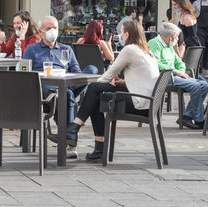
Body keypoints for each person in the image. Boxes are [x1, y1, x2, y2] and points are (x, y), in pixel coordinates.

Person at [64, 19, 160, 162]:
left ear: (127, 34)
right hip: (150, 103)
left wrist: (94, 88)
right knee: (96, 98)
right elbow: (143, 79)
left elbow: (107, 76)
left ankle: (76, 128)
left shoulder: (130, 49)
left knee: (94, 89)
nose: (120, 37)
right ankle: (96, 146)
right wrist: (121, 82)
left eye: (121, 33)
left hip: (140, 103)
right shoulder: (146, 51)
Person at [26, 16, 99, 158]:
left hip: (66, 84)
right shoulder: (32, 49)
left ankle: (67, 137)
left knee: (92, 69)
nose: (52, 31)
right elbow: (25, 73)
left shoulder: (66, 49)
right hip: (45, 90)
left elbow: (76, 73)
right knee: (68, 95)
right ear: (41, 32)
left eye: (55, 28)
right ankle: (70, 143)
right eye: (48, 28)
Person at [149, 22, 208, 130]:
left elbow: (179, 62)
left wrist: (181, 70)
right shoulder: (154, 44)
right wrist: (176, 71)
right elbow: (156, 64)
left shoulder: (169, 45)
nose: (178, 40)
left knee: (204, 85)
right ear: (171, 36)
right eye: (177, 37)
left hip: (174, 75)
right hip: (163, 76)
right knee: (195, 85)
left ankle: (186, 116)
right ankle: (200, 120)